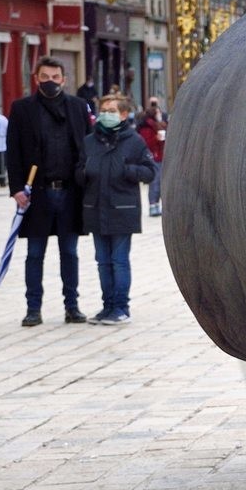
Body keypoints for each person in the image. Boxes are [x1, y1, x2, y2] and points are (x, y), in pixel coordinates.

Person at [7, 57, 91, 326]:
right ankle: (33, 308)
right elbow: (13, 152)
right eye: (45, 77)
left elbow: (87, 148)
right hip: (37, 194)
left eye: (56, 77)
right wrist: (17, 189)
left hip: (69, 193)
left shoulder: (78, 107)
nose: (51, 82)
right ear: (36, 79)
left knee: (69, 252)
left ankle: (72, 305)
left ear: (64, 80)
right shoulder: (22, 109)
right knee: (34, 253)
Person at [81, 94, 156, 324]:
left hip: (122, 209)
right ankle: (107, 306)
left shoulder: (133, 141)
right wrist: (85, 172)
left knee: (119, 260)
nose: (106, 114)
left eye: (112, 111)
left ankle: (121, 308)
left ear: (124, 115)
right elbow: (79, 169)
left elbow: (149, 172)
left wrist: (127, 170)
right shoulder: (90, 141)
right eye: (103, 110)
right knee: (102, 261)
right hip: (96, 208)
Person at [136, 96, 168, 216]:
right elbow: (146, 142)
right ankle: (153, 205)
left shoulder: (161, 124)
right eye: (158, 112)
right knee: (155, 182)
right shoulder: (147, 126)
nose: (160, 113)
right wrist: (156, 138)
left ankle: (159, 204)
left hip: (161, 155)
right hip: (153, 157)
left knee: (161, 182)